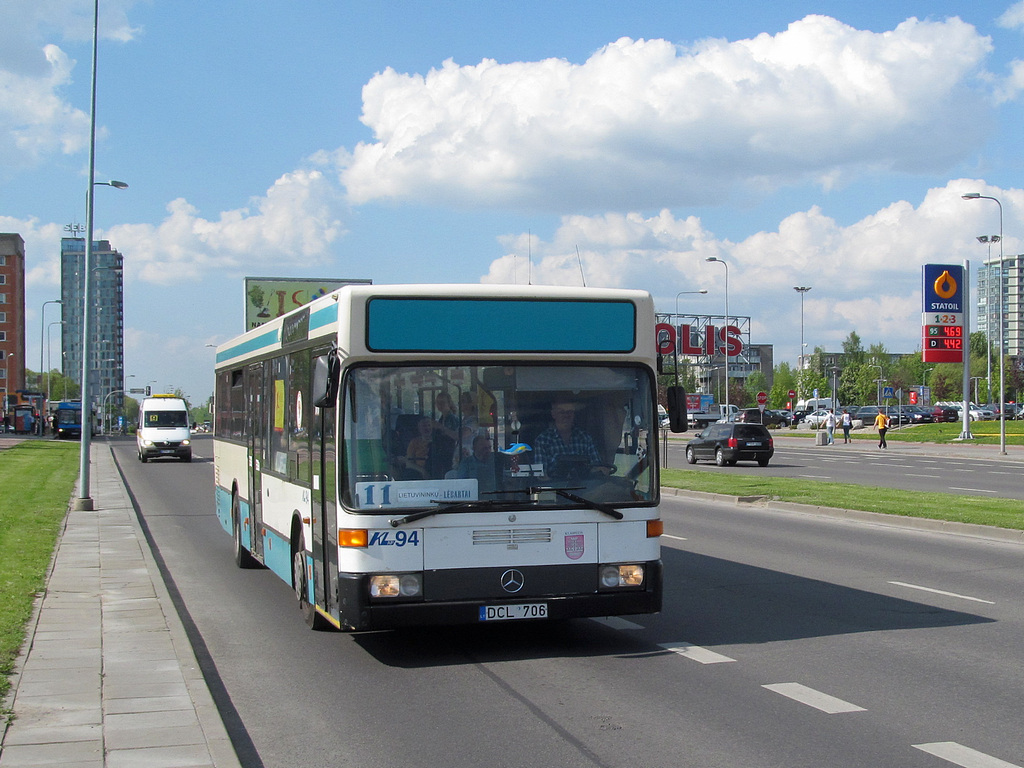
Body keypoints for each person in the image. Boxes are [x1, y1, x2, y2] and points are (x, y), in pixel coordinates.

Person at [533, 399, 607, 478]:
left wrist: (600, 471)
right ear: (553, 414)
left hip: (586, 488)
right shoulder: (542, 440)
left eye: (570, 412)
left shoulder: (585, 438)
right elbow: (540, 475)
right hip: (555, 488)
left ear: (574, 414)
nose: (566, 415)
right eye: (562, 412)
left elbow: (597, 467)